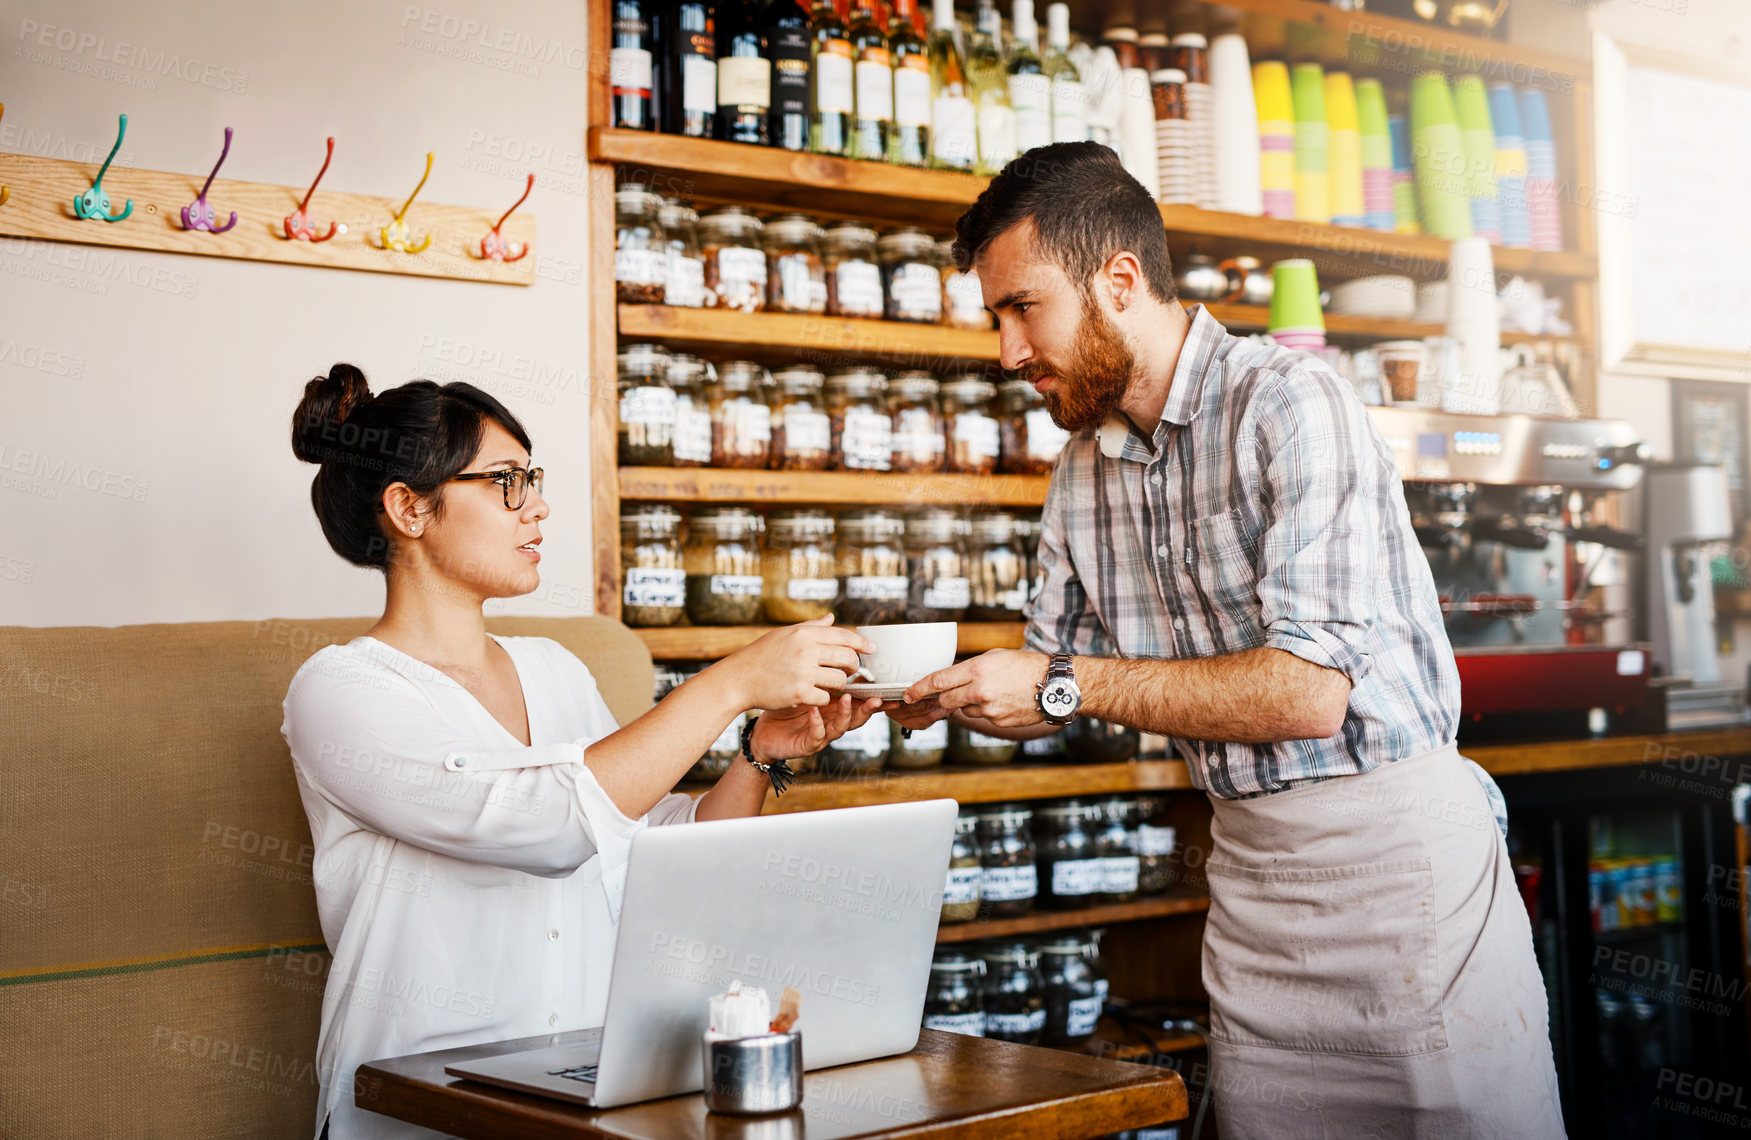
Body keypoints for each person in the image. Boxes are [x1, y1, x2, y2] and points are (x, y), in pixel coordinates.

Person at [890, 143, 1563, 1137]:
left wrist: (1062, 682)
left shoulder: (1290, 403)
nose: (1007, 353)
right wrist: (941, 695)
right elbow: (1055, 691)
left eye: (1020, 308)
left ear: (1118, 281)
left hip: (1398, 874)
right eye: (996, 319)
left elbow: (1304, 693)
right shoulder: (1079, 474)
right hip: (1248, 888)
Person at [281, 365, 881, 1140]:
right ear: (408, 507)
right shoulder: (340, 690)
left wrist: (759, 753)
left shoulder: (554, 667)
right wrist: (728, 684)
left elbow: (647, 847)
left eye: (532, 479)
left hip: (581, 1090)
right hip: (419, 1102)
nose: (539, 506)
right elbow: (544, 824)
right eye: (506, 483)